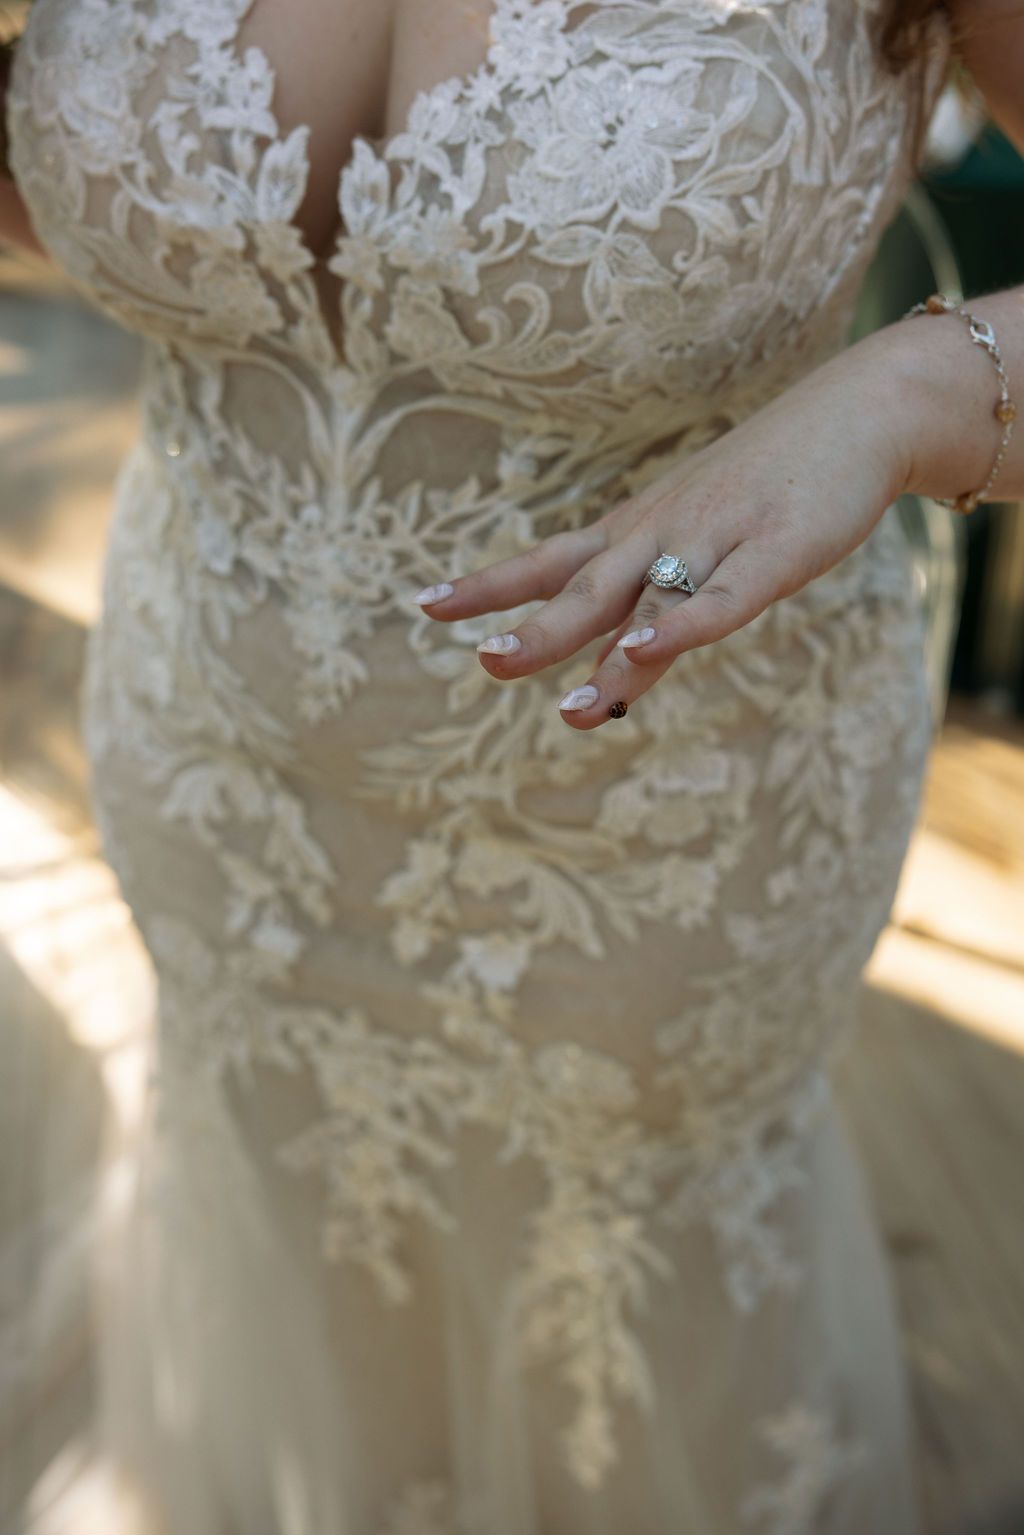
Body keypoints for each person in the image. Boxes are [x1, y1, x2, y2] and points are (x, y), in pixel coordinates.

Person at [2, 1, 1022, 1530]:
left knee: (625, 1319)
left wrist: (907, 398)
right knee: (280, 1220)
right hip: (218, 757)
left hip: (660, 819)